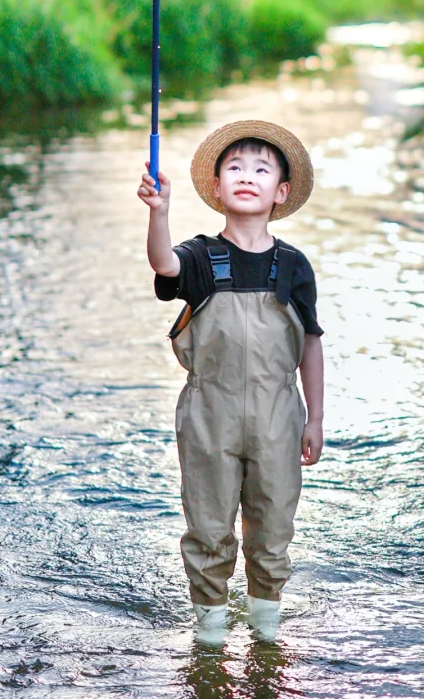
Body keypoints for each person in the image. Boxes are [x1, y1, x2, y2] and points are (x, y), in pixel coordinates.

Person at [138, 119, 324, 643]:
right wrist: (160, 213)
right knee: (209, 529)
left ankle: (267, 633)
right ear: (217, 188)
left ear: (281, 192)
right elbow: (162, 262)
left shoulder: (293, 265)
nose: (248, 176)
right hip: (208, 416)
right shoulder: (199, 257)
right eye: (235, 167)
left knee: (272, 531)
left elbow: (311, 342)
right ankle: (210, 636)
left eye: (262, 169)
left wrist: (317, 417)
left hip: (278, 417)